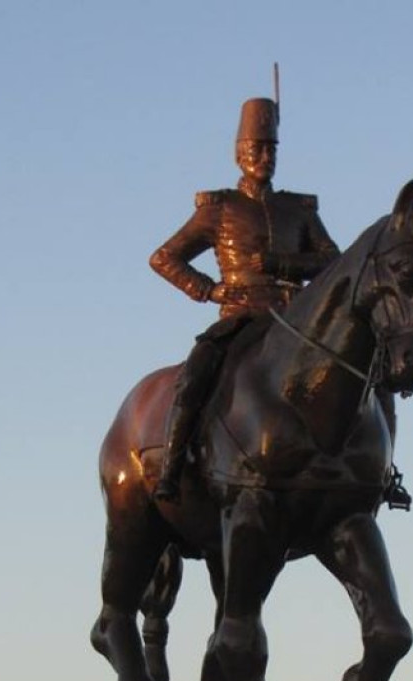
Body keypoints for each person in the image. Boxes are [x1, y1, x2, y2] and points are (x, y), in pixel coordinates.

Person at [149, 96, 340, 501]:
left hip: (296, 320)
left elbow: (331, 262)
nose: (265, 157)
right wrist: (208, 289)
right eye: (257, 149)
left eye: (271, 149)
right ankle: (173, 467)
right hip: (240, 315)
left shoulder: (298, 209)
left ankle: (375, 468)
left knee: (358, 370)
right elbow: (165, 257)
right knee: (195, 376)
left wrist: (281, 262)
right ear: (240, 154)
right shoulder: (219, 208)